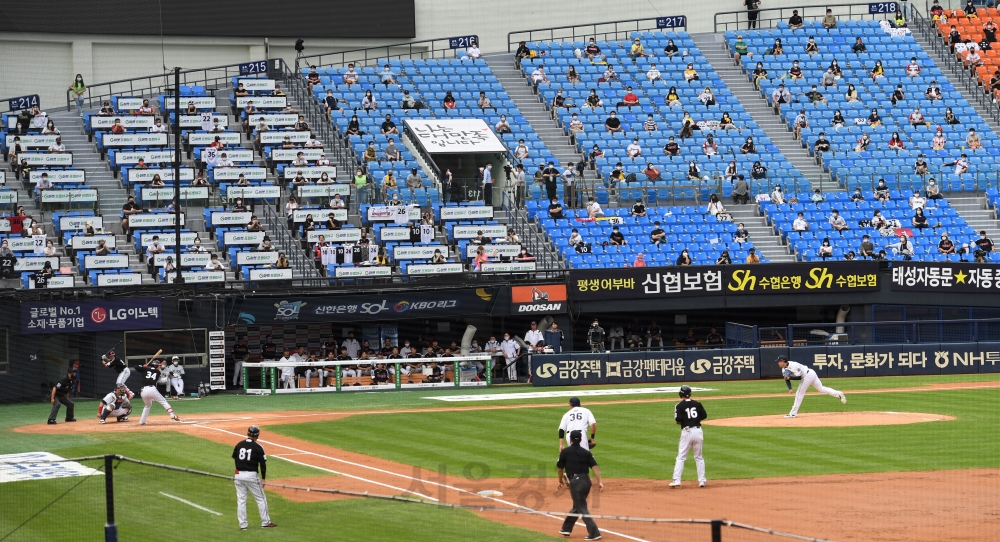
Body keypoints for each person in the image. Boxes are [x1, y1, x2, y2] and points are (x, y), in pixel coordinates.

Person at [556, 430, 604, 540]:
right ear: (581, 439)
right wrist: (600, 481)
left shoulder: (565, 452)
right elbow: (595, 467)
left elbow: (560, 468)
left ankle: (594, 533)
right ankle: (566, 528)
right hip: (586, 482)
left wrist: (560, 481)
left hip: (576, 482)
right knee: (578, 505)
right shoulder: (586, 452)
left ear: (571, 439)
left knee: (581, 507)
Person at [233, 425, 277, 530]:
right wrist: (263, 478)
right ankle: (265, 522)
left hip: (238, 474)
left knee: (241, 500)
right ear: (257, 435)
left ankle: (243, 525)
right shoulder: (258, 447)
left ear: (248, 433)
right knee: (261, 499)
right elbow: (262, 464)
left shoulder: (239, 444)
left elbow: (235, 459)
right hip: (251, 475)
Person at [777, 355, 846, 418]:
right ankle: (838, 393)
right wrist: (790, 388)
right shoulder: (784, 369)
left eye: (779, 361)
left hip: (808, 375)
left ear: (783, 361)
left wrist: (790, 378)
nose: (778, 363)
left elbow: (799, 377)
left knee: (799, 393)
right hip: (810, 374)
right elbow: (786, 379)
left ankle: (793, 413)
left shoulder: (794, 365)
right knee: (821, 389)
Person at [669, 385, 708, 488]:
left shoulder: (679, 406)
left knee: (681, 457)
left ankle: (677, 480)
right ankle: (702, 481)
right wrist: (694, 420)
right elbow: (704, 415)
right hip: (698, 431)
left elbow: (678, 419)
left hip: (687, 432)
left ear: (681, 394)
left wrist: (686, 420)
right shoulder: (698, 404)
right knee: (699, 457)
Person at [136, 355, 181, 424]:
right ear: (156, 366)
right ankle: (172, 414)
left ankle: (142, 421)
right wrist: (144, 368)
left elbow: (136, 367)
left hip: (143, 391)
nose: (160, 367)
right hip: (151, 389)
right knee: (163, 401)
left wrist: (143, 366)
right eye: (159, 365)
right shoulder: (158, 372)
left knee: (147, 405)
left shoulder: (146, 369)